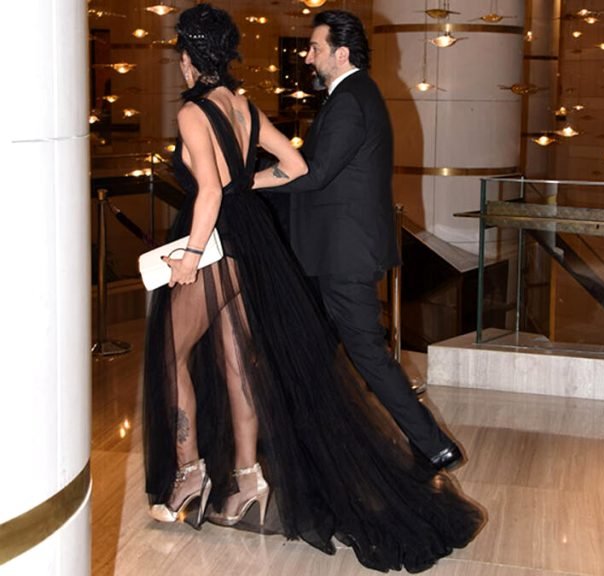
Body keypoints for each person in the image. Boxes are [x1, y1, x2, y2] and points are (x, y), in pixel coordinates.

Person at [143, 4, 484, 573]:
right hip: (251, 243)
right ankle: (247, 481)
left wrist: (191, 255)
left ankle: (188, 474)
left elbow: (210, 192)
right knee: (238, 359)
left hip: (218, 242)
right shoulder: (244, 107)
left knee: (169, 354)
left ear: (190, 58)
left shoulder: (194, 112)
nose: (179, 63)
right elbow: (297, 167)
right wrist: (243, 187)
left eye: (181, 54)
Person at [264, 10, 462, 471]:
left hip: (344, 254)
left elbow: (314, 174)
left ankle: (434, 445)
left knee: (367, 353)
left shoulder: (351, 100)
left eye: (315, 48)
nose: (307, 57)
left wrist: (246, 182)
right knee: (317, 347)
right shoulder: (351, 96)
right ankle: (312, 437)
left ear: (342, 53)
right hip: (335, 250)